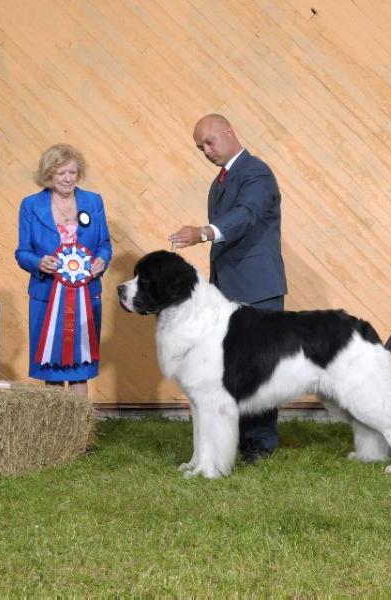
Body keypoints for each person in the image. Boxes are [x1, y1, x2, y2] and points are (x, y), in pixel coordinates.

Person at [169, 114, 287, 464]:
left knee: (260, 368)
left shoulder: (256, 173)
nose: (206, 151)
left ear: (229, 132)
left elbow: (246, 215)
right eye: (200, 147)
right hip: (226, 290)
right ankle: (232, 437)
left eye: (209, 142)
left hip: (257, 287)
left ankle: (259, 443)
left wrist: (204, 232)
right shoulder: (218, 182)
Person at [15, 144, 112, 397]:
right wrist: (38, 263)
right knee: (52, 368)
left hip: (86, 294)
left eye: (72, 172)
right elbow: (22, 252)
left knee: (81, 367)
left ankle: (80, 430)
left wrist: (101, 261)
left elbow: (104, 244)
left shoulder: (93, 201)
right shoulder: (30, 205)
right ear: (48, 175)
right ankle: (55, 433)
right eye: (61, 173)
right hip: (46, 296)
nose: (68, 178)